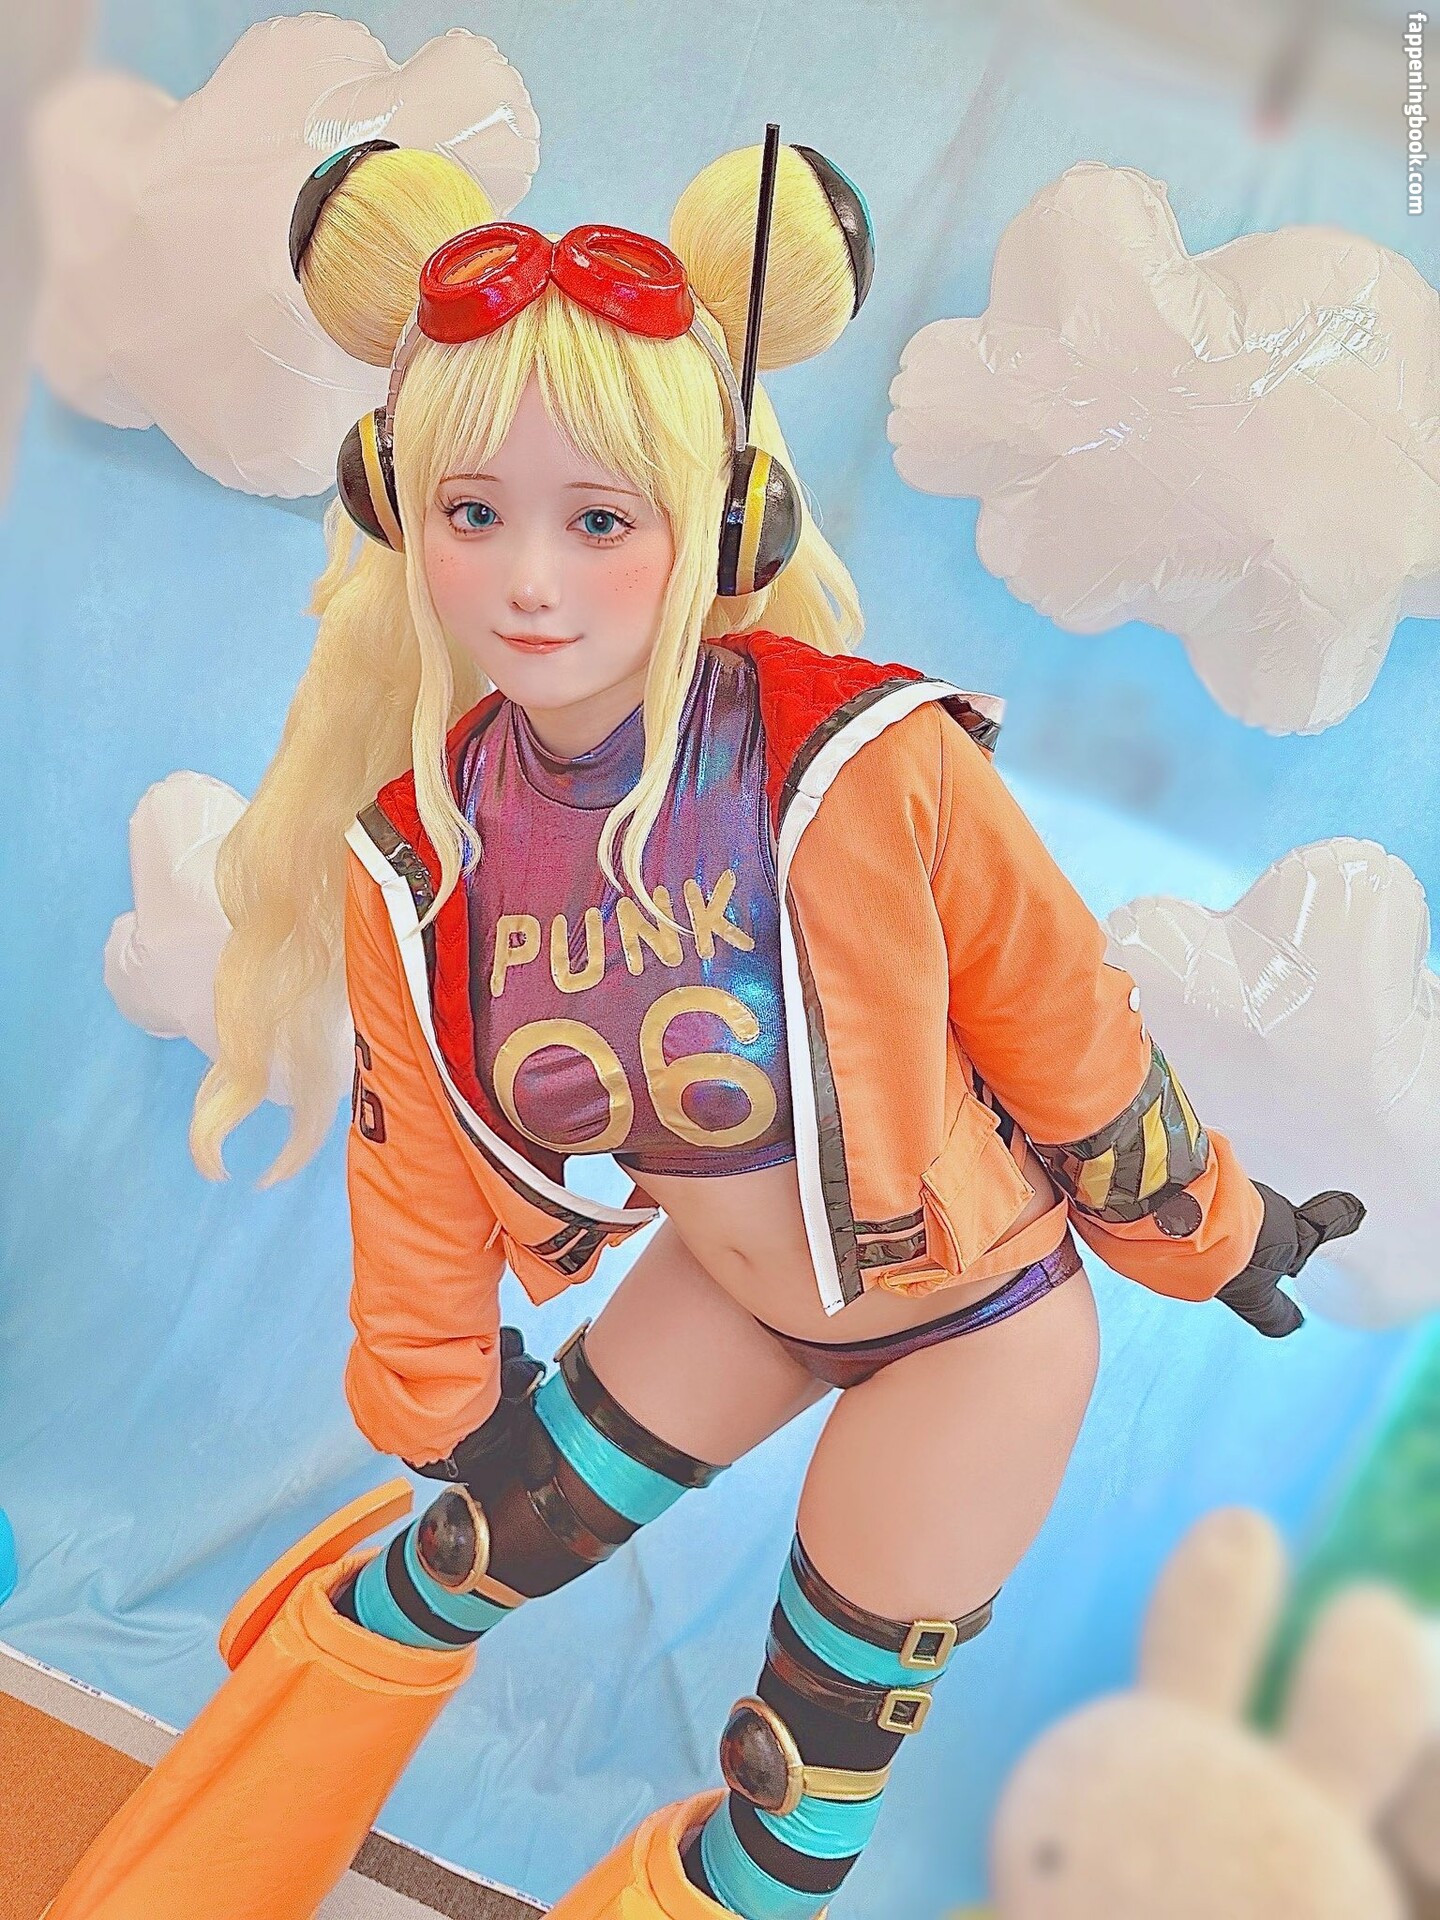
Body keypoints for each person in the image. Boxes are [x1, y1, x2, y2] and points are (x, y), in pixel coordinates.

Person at [48, 136, 1363, 1920]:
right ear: (400, 513)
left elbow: (1063, 1021)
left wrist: (1214, 1230)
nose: (530, 581)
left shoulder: (863, 762)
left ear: (719, 527)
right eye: (474, 513)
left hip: (970, 1334)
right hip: (727, 1301)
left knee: (786, 1805)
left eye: (598, 520)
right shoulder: (422, 857)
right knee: (446, 1560)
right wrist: (439, 1398)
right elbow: (413, 1166)